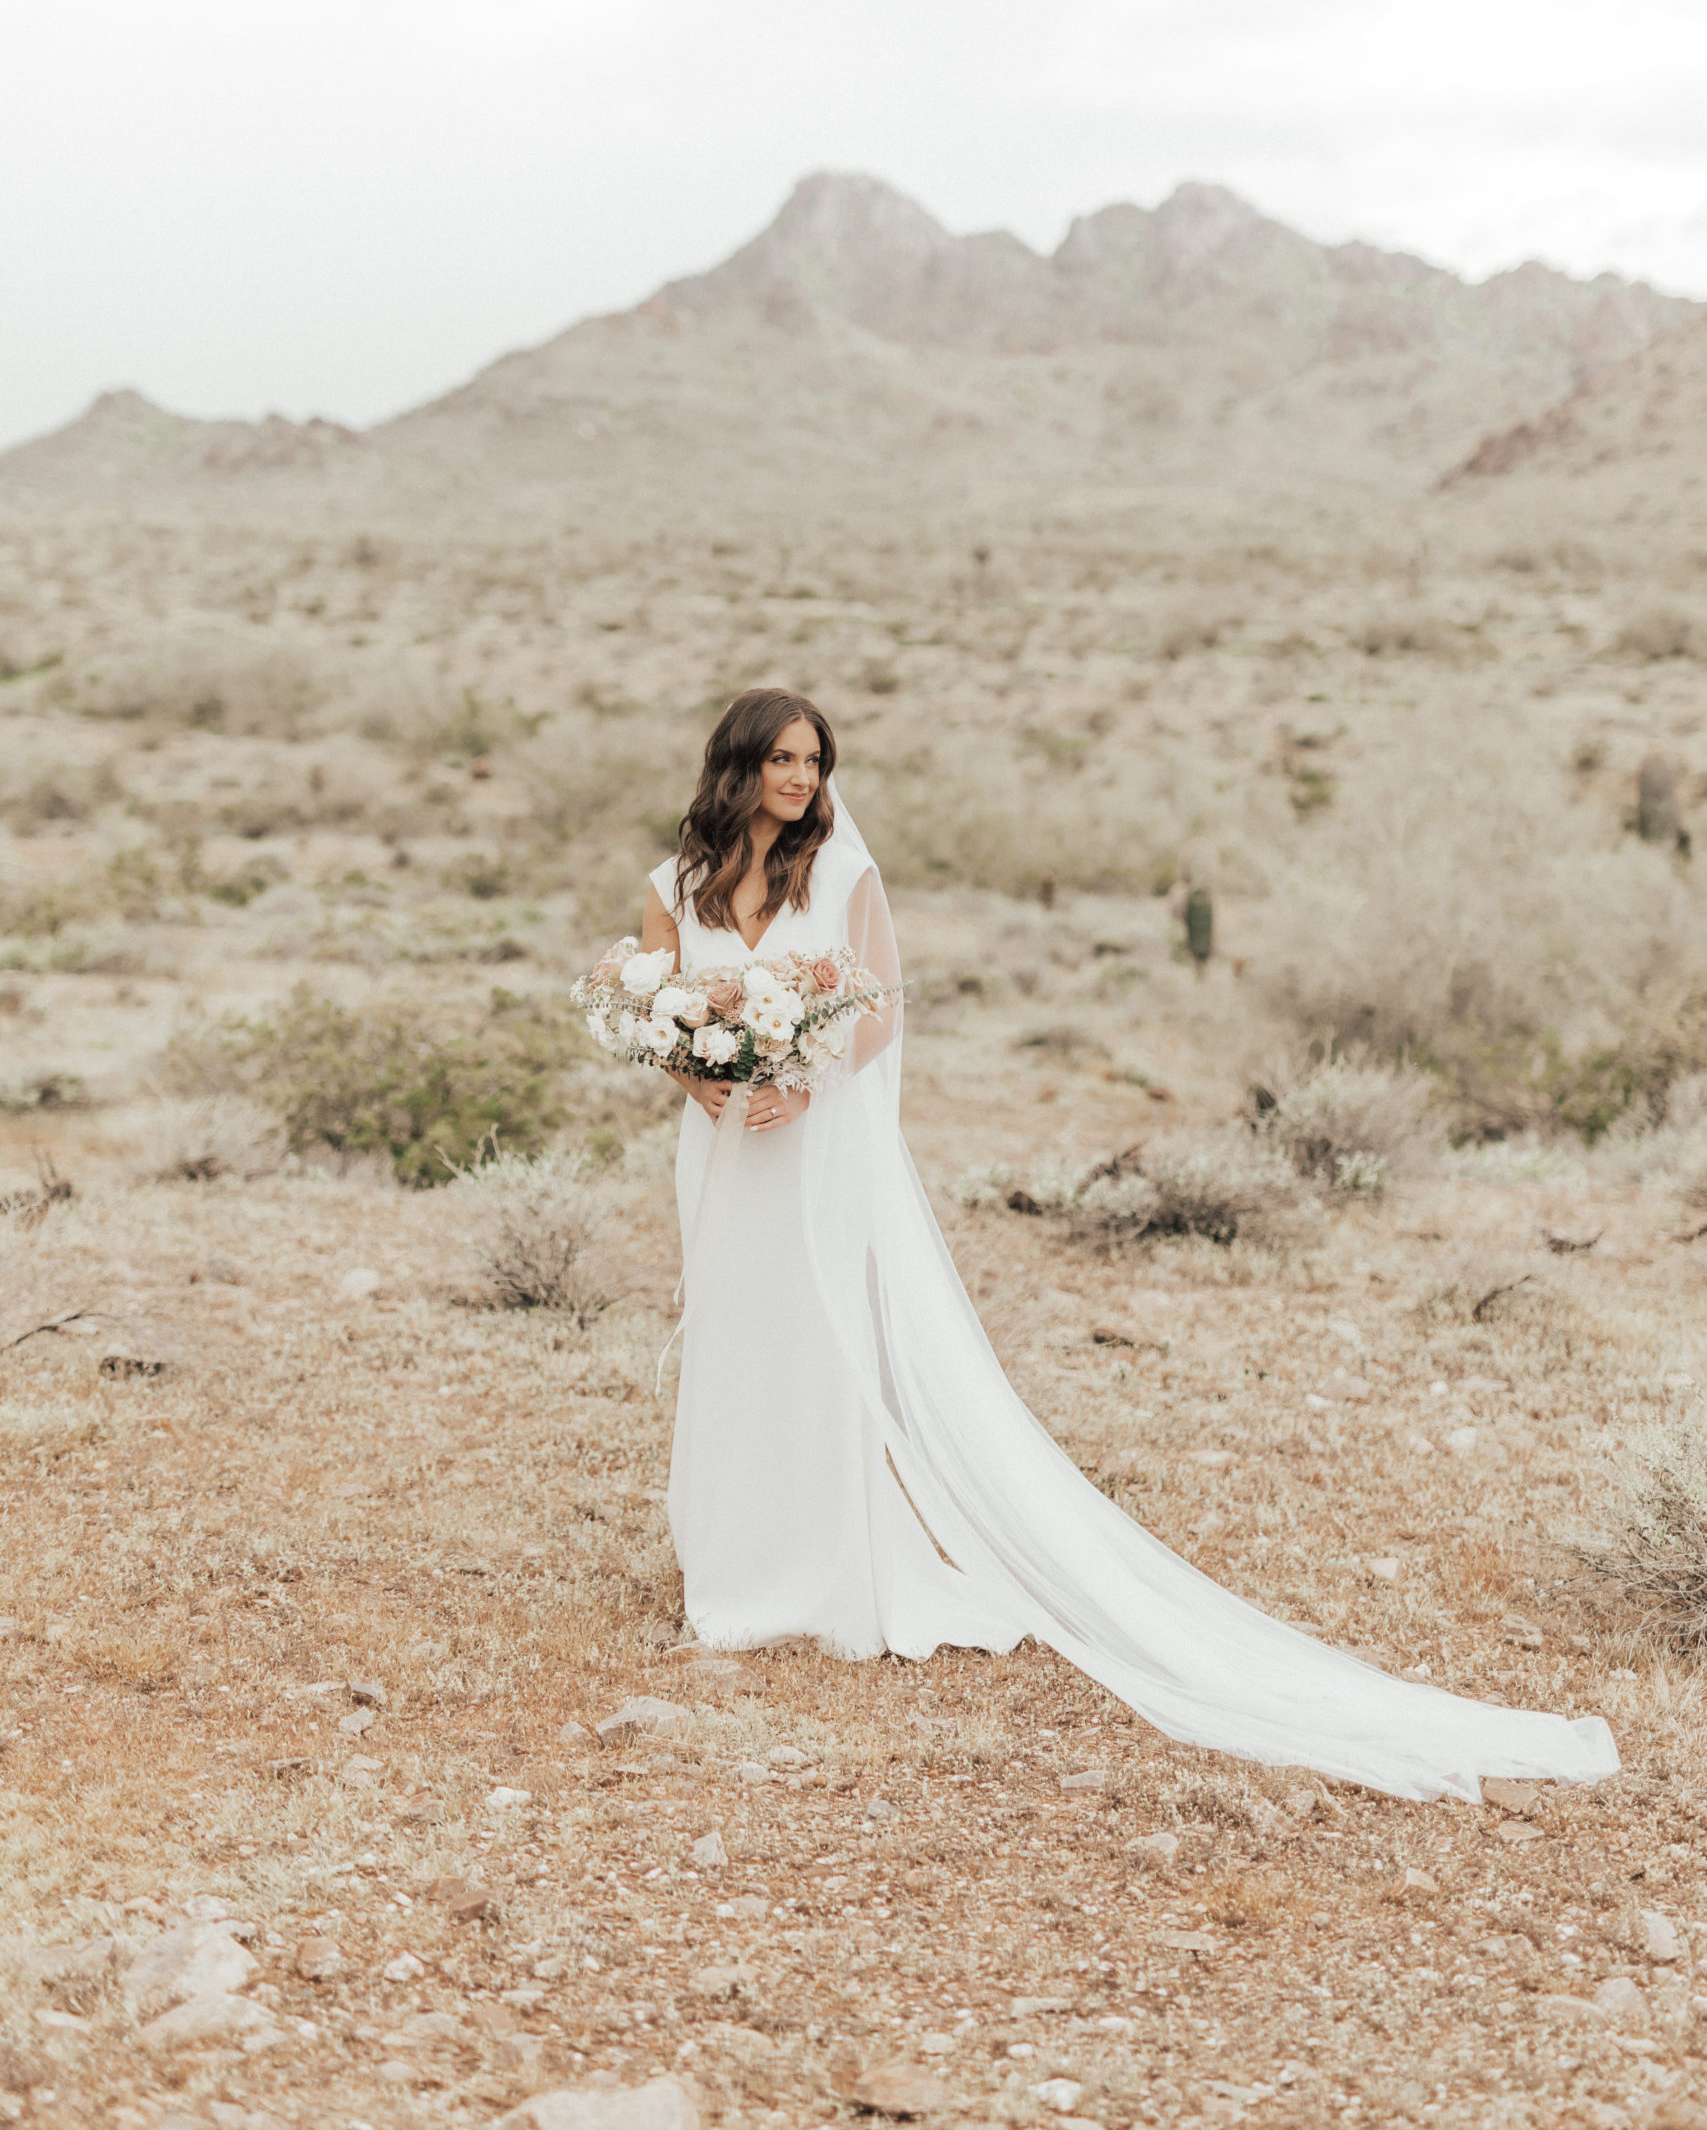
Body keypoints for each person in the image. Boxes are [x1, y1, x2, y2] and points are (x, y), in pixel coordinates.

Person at [639, 687, 1618, 1804]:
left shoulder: (846, 880)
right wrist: (710, 1083)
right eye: (783, 758)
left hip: (811, 1148)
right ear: (739, 766)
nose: (804, 778)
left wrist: (799, 1088)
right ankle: (728, 1569)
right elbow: (661, 1014)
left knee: (825, 1345)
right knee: (733, 1336)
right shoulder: (675, 888)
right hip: (722, 1148)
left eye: (815, 760)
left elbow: (877, 1015)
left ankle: (820, 1579)